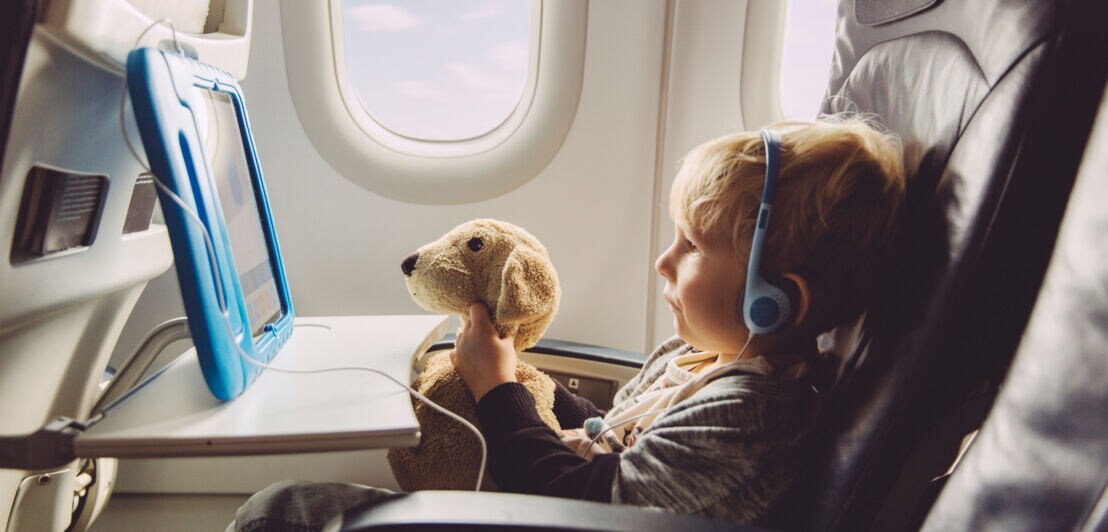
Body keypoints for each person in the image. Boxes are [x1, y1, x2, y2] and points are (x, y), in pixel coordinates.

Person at [229, 116, 906, 530]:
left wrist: (500, 395)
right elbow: (608, 434)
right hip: (567, 507)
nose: (663, 261)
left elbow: (584, 495)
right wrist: (528, 383)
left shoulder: (752, 414)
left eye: (693, 246)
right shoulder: (702, 357)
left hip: (572, 519)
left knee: (279, 513)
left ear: (776, 300)